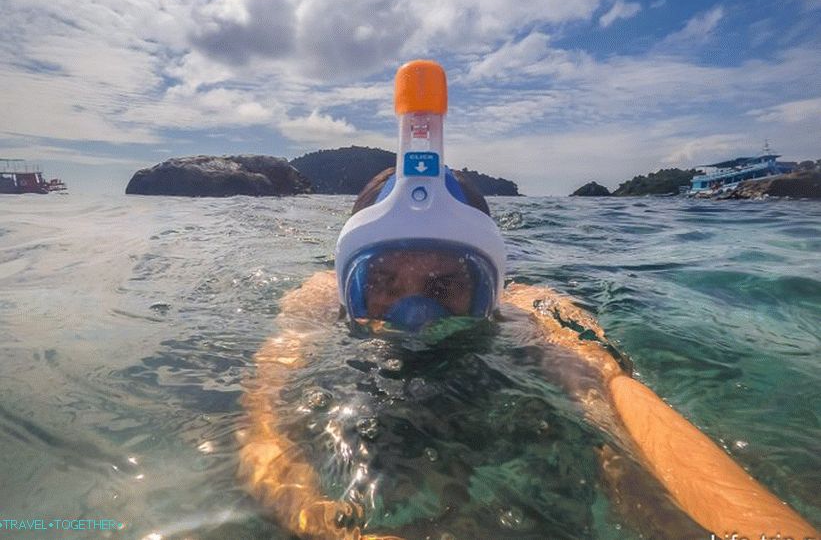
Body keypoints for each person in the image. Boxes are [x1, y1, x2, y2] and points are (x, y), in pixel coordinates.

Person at [238, 61, 818, 540]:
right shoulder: (318, 299)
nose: (415, 314)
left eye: (443, 288)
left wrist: (636, 483)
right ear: (347, 281)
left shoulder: (527, 305)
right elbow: (263, 414)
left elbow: (609, 393)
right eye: (384, 283)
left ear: (491, 285)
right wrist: (323, 522)